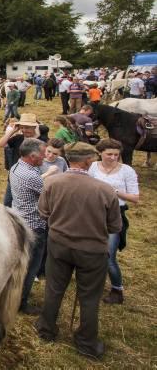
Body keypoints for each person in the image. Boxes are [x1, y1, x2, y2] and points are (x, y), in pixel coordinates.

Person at [36, 142, 122, 360]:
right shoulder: (105, 190)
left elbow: (43, 213)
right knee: (89, 297)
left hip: (58, 246)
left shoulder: (52, 183)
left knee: (54, 289)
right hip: (92, 251)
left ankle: (46, 329)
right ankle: (86, 343)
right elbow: (115, 226)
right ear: (86, 161)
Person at [88, 138, 139, 305]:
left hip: (115, 215)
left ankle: (117, 289)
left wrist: (114, 191)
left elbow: (134, 198)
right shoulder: (93, 167)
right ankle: (92, 283)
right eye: (109, 154)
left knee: (108, 256)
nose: (113, 157)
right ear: (100, 153)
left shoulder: (127, 171)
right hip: (93, 213)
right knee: (91, 251)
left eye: (116, 154)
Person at [9, 138, 47, 314]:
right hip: (35, 225)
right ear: (32, 156)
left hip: (20, 219)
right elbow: (49, 195)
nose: (45, 157)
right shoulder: (32, 176)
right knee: (30, 267)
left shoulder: (16, 167)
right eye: (42, 154)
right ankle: (20, 302)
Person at [0, 113, 43, 206]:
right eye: (22, 127)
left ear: (34, 127)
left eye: (27, 127)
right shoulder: (18, 138)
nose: (24, 130)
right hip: (15, 177)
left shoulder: (42, 140)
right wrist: (12, 131)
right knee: (7, 204)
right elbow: (0, 144)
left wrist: (36, 137)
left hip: (32, 179)